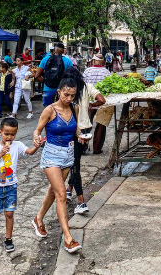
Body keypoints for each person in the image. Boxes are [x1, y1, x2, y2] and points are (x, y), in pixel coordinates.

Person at [32, 78, 88, 254]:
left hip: (68, 155)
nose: (69, 98)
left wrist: (80, 135)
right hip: (51, 155)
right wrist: (36, 137)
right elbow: (38, 129)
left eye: (72, 95)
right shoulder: (50, 110)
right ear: (58, 92)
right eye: (66, 94)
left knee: (53, 191)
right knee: (62, 194)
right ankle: (68, 238)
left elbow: (76, 129)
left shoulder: (75, 109)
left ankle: (38, 218)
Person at [0, 118, 41, 252]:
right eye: (6, 134)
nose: (9, 137)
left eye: (13, 134)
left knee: (9, 213)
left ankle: (8, 239)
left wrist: (36, 146)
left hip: (11, 186)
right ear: (0, 132)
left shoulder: (18, 145)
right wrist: (1, 153)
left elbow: (29, 152)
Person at [63, 67, 105, 213]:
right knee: (75, 161)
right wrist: (91, 105)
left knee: (75, 165)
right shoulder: (87, 87)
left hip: (73, 130)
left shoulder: (66, 91)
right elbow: (102, 100)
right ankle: (69, 190)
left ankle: (81, 202)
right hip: (85, 129)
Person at [83, 54, 111, 153]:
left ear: (94, 61)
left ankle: (84, 147)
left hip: (88, 102)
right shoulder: (107, 72)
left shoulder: (87, 71)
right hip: (102, 103)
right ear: (102, 62)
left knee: (85, 125)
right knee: (100, 126)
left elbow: (83, 85)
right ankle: (97, 148)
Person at [35, 43, 73, 108]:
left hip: (47, 90)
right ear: (63, 51)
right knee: (61, 111)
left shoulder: (45, 59)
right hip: (62, 91)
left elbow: (37, 76)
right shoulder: (68, 61)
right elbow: (71, 77)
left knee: (48, 112)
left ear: (54, 50)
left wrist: (45, 82)